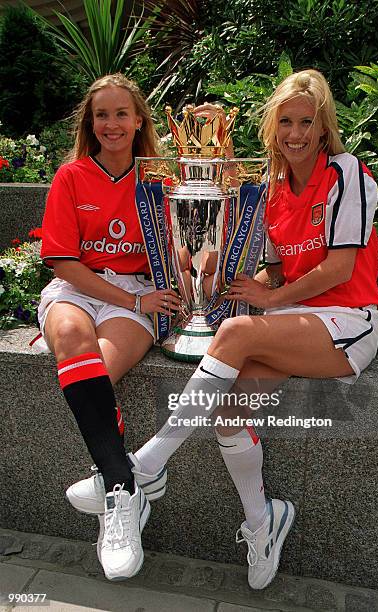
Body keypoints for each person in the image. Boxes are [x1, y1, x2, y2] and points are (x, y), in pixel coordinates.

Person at [67, 69, 378, 589]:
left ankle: (142, 468)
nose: (296, 134)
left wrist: (267, 299)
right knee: (227, 413)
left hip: (348, 322)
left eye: (307, 122)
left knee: (235, 334)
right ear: (272, 128)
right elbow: (277, 270)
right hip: (295, 323)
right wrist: (225, 287)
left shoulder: (348, 173)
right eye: (286, 122)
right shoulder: (275, 191)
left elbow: (340, 268)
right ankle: (263, 522)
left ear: (324, 129)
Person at [38, 73, 181, 581]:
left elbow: (178, 249)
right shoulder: (72, 176)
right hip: (82, 289)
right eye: (102, 115)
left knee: (96, 366)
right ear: (90, 123)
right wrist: (130, 297)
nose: (112, 124)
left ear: (139, 119)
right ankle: (124, 484)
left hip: (140, 294)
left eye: (122, 113)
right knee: (74, 340)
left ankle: (112, 486)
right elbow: (63, 263)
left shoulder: (160, 179)